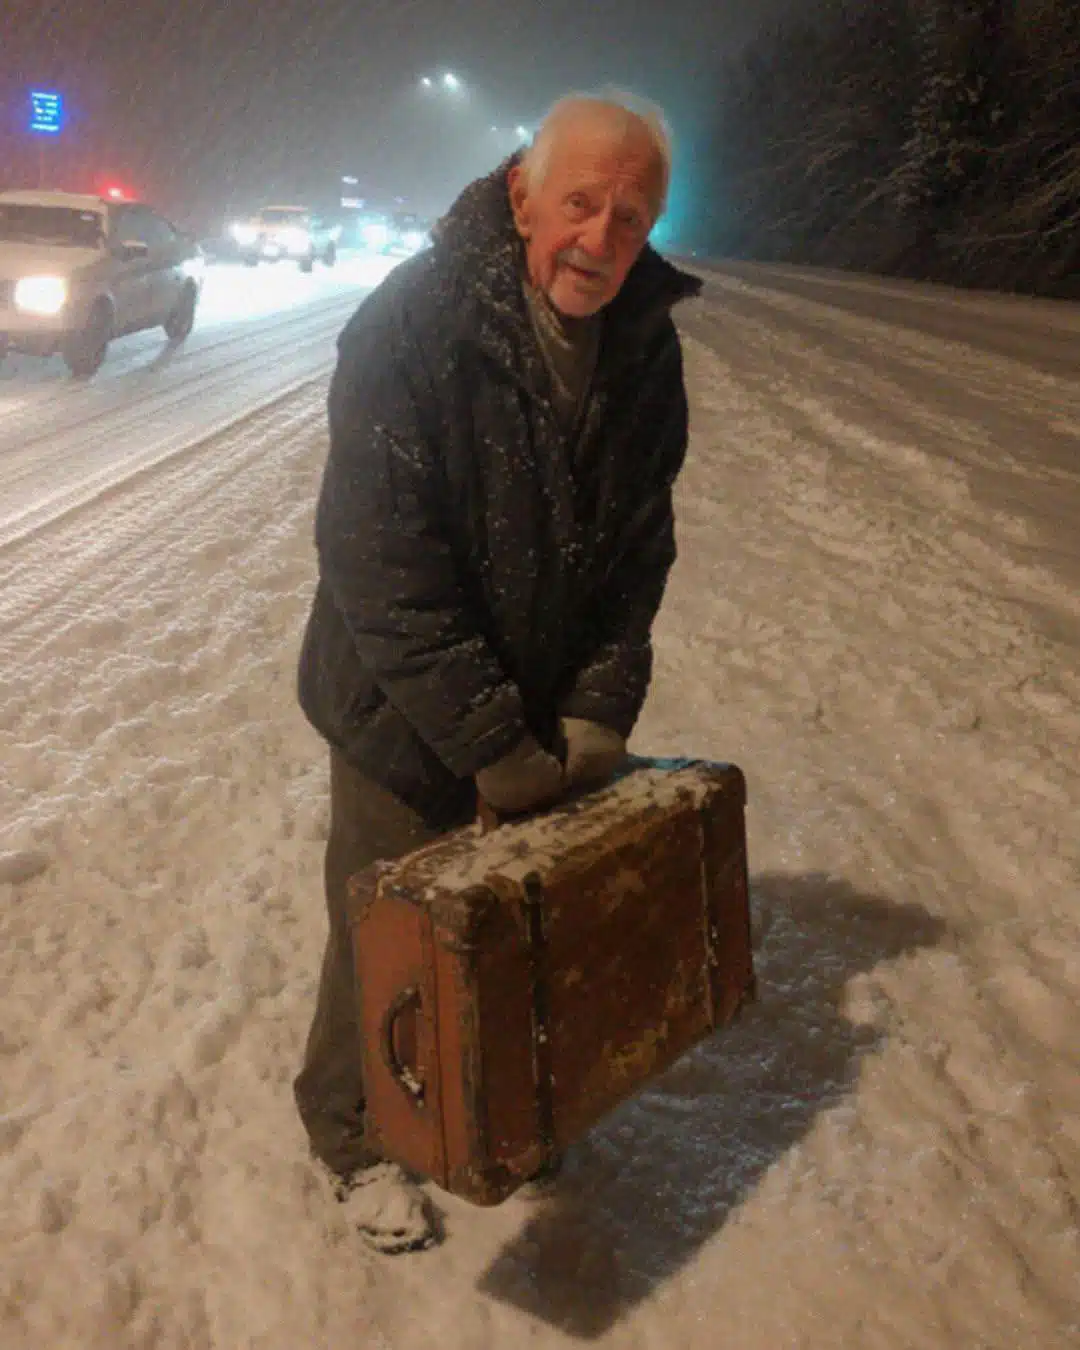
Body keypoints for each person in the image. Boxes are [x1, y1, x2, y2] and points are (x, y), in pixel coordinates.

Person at [294, 89, 702, 1253]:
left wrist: (596, 709)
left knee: (521, 926)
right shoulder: (412, 326)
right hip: (396, 705)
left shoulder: (644, 346)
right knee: (386, 936)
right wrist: (486, 740)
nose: (600, 238)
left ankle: (505, 1103)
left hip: (542, 703)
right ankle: (354, 1134)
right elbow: (381, 563)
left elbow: (637, 551)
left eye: (631, 218)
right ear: (523, 196)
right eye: (580, 204)